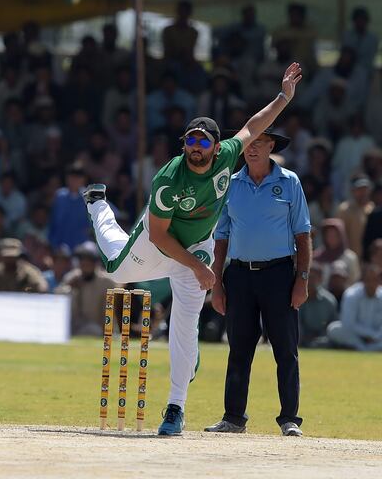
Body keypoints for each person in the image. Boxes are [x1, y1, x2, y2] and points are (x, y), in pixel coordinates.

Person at [84, 62, 302, 436]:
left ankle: (175, 408)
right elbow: (159, 236)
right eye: (190, 140)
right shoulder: (169, 177)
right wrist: (200, 269)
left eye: (203, 141)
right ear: (183, 144)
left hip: (196, 247)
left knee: (185, 326)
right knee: (117, 270)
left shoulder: (229, 153)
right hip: (158, 241)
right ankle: (97, 205)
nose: (196, 148)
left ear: (217, 147)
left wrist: (284, 95)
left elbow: (255, 124)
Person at [205, 128, 311, 437]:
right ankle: (233, 417)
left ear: (271, 146)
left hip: (279, 274)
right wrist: (218, 283)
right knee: (238, 348)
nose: (252, 149)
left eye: (260, 143)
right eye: (249, 143)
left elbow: (303, 236)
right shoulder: (230, 184)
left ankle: (289, 418)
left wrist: (301, 280)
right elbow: (221, 236)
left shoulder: (289, 182)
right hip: (238, 275)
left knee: (285, 350)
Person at [326, 264, 382, 351]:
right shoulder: (351, 294)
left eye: (374, 280)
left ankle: (365, 349)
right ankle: (365, 349)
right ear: (363, 280)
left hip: (377, 337)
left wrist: (375, 336)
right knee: (333, 329)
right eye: (368, 280)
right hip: (355, 336)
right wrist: (369, 335)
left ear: (379, 281)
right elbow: (348, 323)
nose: (371, 283)